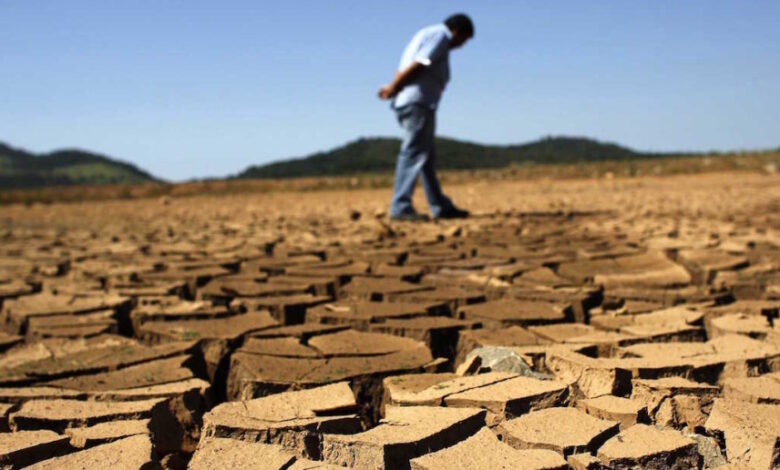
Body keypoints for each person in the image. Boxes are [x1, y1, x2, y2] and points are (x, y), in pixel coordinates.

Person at [378, 13, 474, 221]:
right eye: (464, 40)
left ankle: (440, 205)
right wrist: (395, 86)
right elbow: (420, 63)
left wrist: (394, 88)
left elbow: (404, 66)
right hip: (418, 102)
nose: (461, 45)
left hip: (410, 101)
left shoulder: (424, 34)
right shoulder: (440, 36)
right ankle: (400, 207)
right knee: (413, 153)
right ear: (457, 31)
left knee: (425, 157)